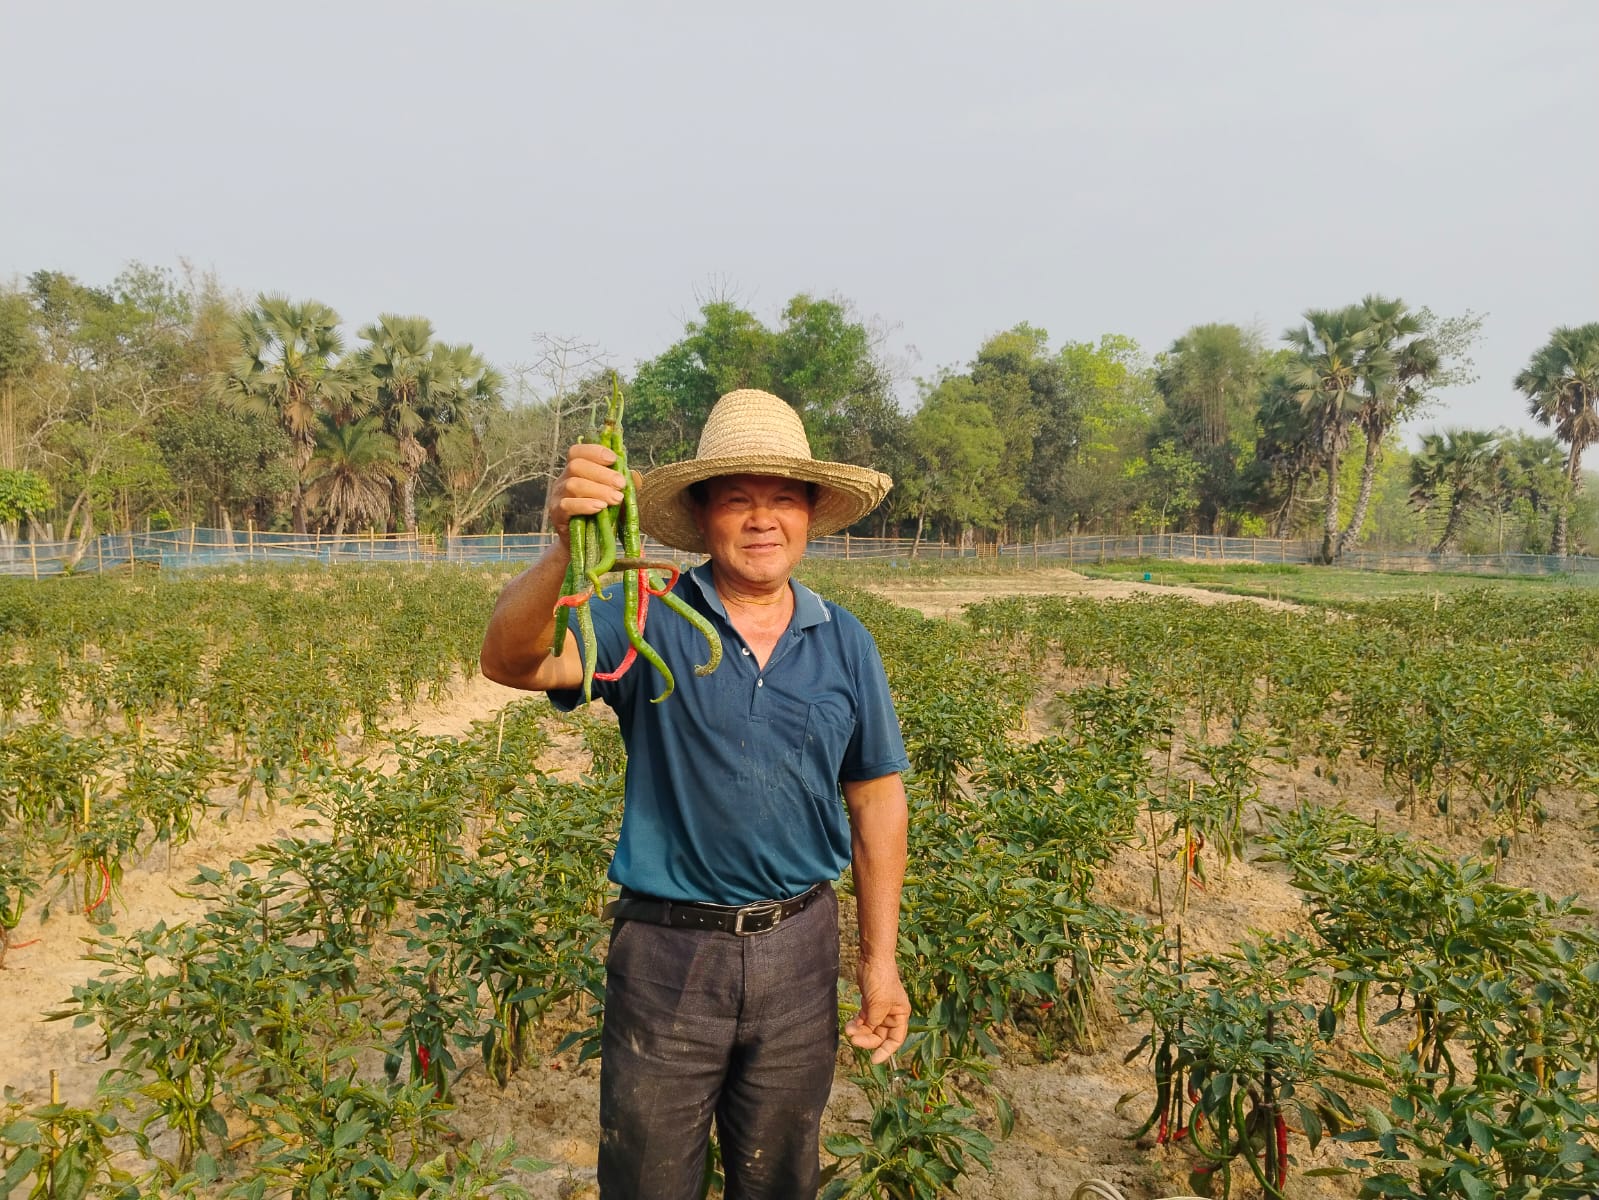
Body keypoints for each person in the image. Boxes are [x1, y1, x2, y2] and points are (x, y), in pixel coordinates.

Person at [479, 388, 911, 1200]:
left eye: (782, 500)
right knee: (647, 1181)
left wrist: (878, 964)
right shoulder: (643, 608)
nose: (761, 520)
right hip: (668, 955)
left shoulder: (846, 639)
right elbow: (512, 661)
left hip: (799, 947)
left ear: (810, 516)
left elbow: (876, 801)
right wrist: (562, 555)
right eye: (738, 501)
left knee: (780, 1175)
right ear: (703, 516)